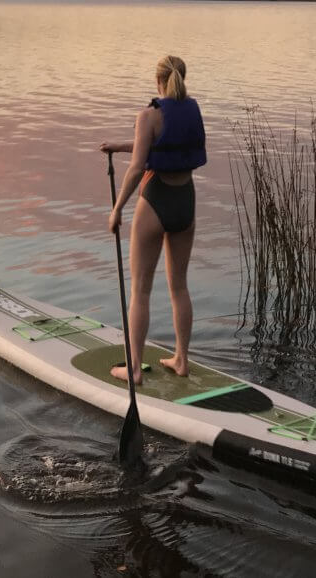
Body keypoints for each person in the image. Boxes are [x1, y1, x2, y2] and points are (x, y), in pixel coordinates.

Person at [100, 55, 206, 385]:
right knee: (179, 287)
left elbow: (137, 168)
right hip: (185, 202)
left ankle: (133, 370)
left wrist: (117, 209)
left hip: (156, 199)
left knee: (141, 291)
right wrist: (119, 145)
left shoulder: (148, 115)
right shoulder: (193, 109)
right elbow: (161, 145)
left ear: (157, 81)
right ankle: (181, 360)